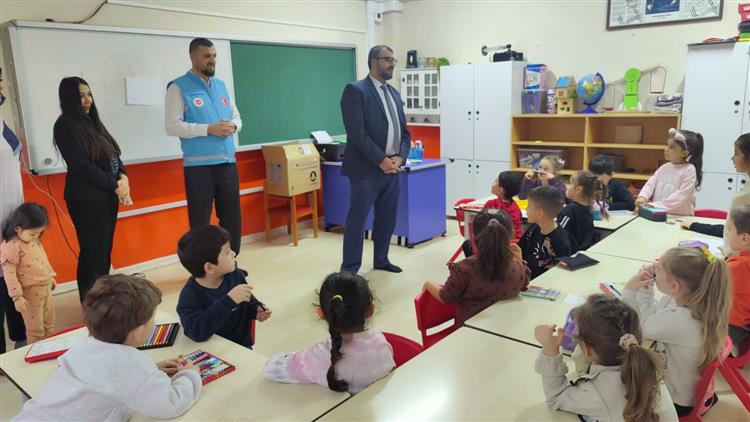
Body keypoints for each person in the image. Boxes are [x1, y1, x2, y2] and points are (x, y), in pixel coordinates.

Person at [15, 274, 202, 421]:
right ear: (138, 331)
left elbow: (108, 378)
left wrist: (151, 372)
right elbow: (172, 404)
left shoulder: (84, 345)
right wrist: (189, 374)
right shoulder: (129, 364)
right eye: (153, 319)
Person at [623, 246, 731, 416]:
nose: (653, 270)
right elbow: (656, 315)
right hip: (696, 392)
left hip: (678, 402)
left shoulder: (683, 319)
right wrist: (647, 288)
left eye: (658, 270)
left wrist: (630, 292)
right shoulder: (698, 302)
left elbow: (639, 328)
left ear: (674, 286)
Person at [534, 294, 678, 422]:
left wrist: (550, 352)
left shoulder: (597, 394)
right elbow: (586, 368)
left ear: (587, 350)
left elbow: (556, 397)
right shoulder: (645, 366)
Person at [53, 76, 131, 303]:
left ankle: (102, 299)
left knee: (104, 251)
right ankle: (90, 304)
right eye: (81, 96)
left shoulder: (92, 122)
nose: (87, 100)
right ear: (69, 98)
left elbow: (113, 154)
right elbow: (81, 166)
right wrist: (115, 184)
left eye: (89, 94)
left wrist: (123, 176)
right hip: (86, 199)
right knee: (92, 252)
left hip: (106, 195)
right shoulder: (65, 125)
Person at [165, 38, 243, 254]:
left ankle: (231, 261)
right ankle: (201, 265)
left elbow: (237, 117)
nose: (212, 60)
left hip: (227, 163)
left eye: (214, 56)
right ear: (193, 57)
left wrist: (233, 126)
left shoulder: (221, 86)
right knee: (200, 222)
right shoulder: (178, 87)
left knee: (232, 219)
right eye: (207, 56)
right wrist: (208, 129)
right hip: (199, 168)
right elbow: (172, 126)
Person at [339, 45, 411, 274]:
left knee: (387, 217)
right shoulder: (356, 90)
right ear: (373, 61)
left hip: (392, 167)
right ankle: (350, 269)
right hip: (366, 169)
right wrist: (381, 159)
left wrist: (401, 157)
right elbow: (357, 133)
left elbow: (404, 132)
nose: (392, 64)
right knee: (357, 220)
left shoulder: (395, 94)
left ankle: (381, 259)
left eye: (393, 60)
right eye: (387, 59)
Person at [263, 272, 395, 393]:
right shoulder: (380, 342)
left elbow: (270, 369)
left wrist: (296, 356)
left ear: (320, 313)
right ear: (371, 310)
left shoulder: (320, 356)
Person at [423, 210, 529, 325]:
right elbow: (524, 285)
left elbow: (446, 297)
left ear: (473, 237)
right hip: (505, 326)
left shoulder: (463, 269)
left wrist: (428, 284)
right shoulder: (518, 266)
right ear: (511, 235)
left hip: (469, 330)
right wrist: (519, 260)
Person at [176, 225, 271, 349]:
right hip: (211, 352)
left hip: (242, 348)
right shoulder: (190, 295)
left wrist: (256, 309)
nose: (233, 253)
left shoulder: (235, 275)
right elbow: (196, 332)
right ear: (209, 267)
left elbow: (248, 301)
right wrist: (228, 301)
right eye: (227, 252)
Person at [681, 134, 750, 250]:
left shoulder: (744, 197)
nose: (732, 158)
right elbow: (731, 229)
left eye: (736, 153)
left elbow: (735, 230)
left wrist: (729, 251)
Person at [0, 203, 55, 344]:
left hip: (45, 287)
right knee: (36, 330)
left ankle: (49, 349)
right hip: (30, 292)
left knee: (49, 324)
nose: (36, 237)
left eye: (39, 233)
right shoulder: (11, 246)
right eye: (32, 234)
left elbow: (42, 259)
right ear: (17, 228)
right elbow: (9, 274)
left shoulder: (33, 241)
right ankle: (36, 352)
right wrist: (17, 297)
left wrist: (50, 276)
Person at [0, 65, 26, 352]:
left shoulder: (1, 120)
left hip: (11, 213)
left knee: (14, 276)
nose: (1, 87)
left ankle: (21, 337)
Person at [635, 128, 704, 216]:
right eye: (667, 145)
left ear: (684, 153)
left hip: (681, 217)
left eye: (672, 147)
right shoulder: (664, 167)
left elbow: (681, 195)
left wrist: (654, 205)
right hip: (660, 213)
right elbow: (650, 184)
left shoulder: (689, 170)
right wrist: (643, 197)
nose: (666, 149)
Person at [461, 171, 523, 257]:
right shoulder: (516, 208)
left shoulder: (491, 204)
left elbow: (479, 224)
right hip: (511, 248)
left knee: (467, 244)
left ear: (500, 190)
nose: (492, 183)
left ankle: (477, 264)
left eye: (495, 181)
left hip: (492, 247)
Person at [519, 186, 575, 279]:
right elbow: (520, 253)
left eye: (528, 206)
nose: (526, 209)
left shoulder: (561, 242)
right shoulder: (533, 228)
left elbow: (559, 276)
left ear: (540, 213)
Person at [558, 171, 608, 252]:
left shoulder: (570, 210)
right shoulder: (589, 210)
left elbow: (557, 236)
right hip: (581, 254)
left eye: (570, 184)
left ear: (578, 189)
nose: (567, 186)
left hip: (568, 256)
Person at [725, 205, 750, 355]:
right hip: (744, 323)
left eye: (729, 230)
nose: (726, 233)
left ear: (744, 238)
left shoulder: (738, 266)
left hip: (730, 325)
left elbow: (708, 279)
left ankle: (729, 345)